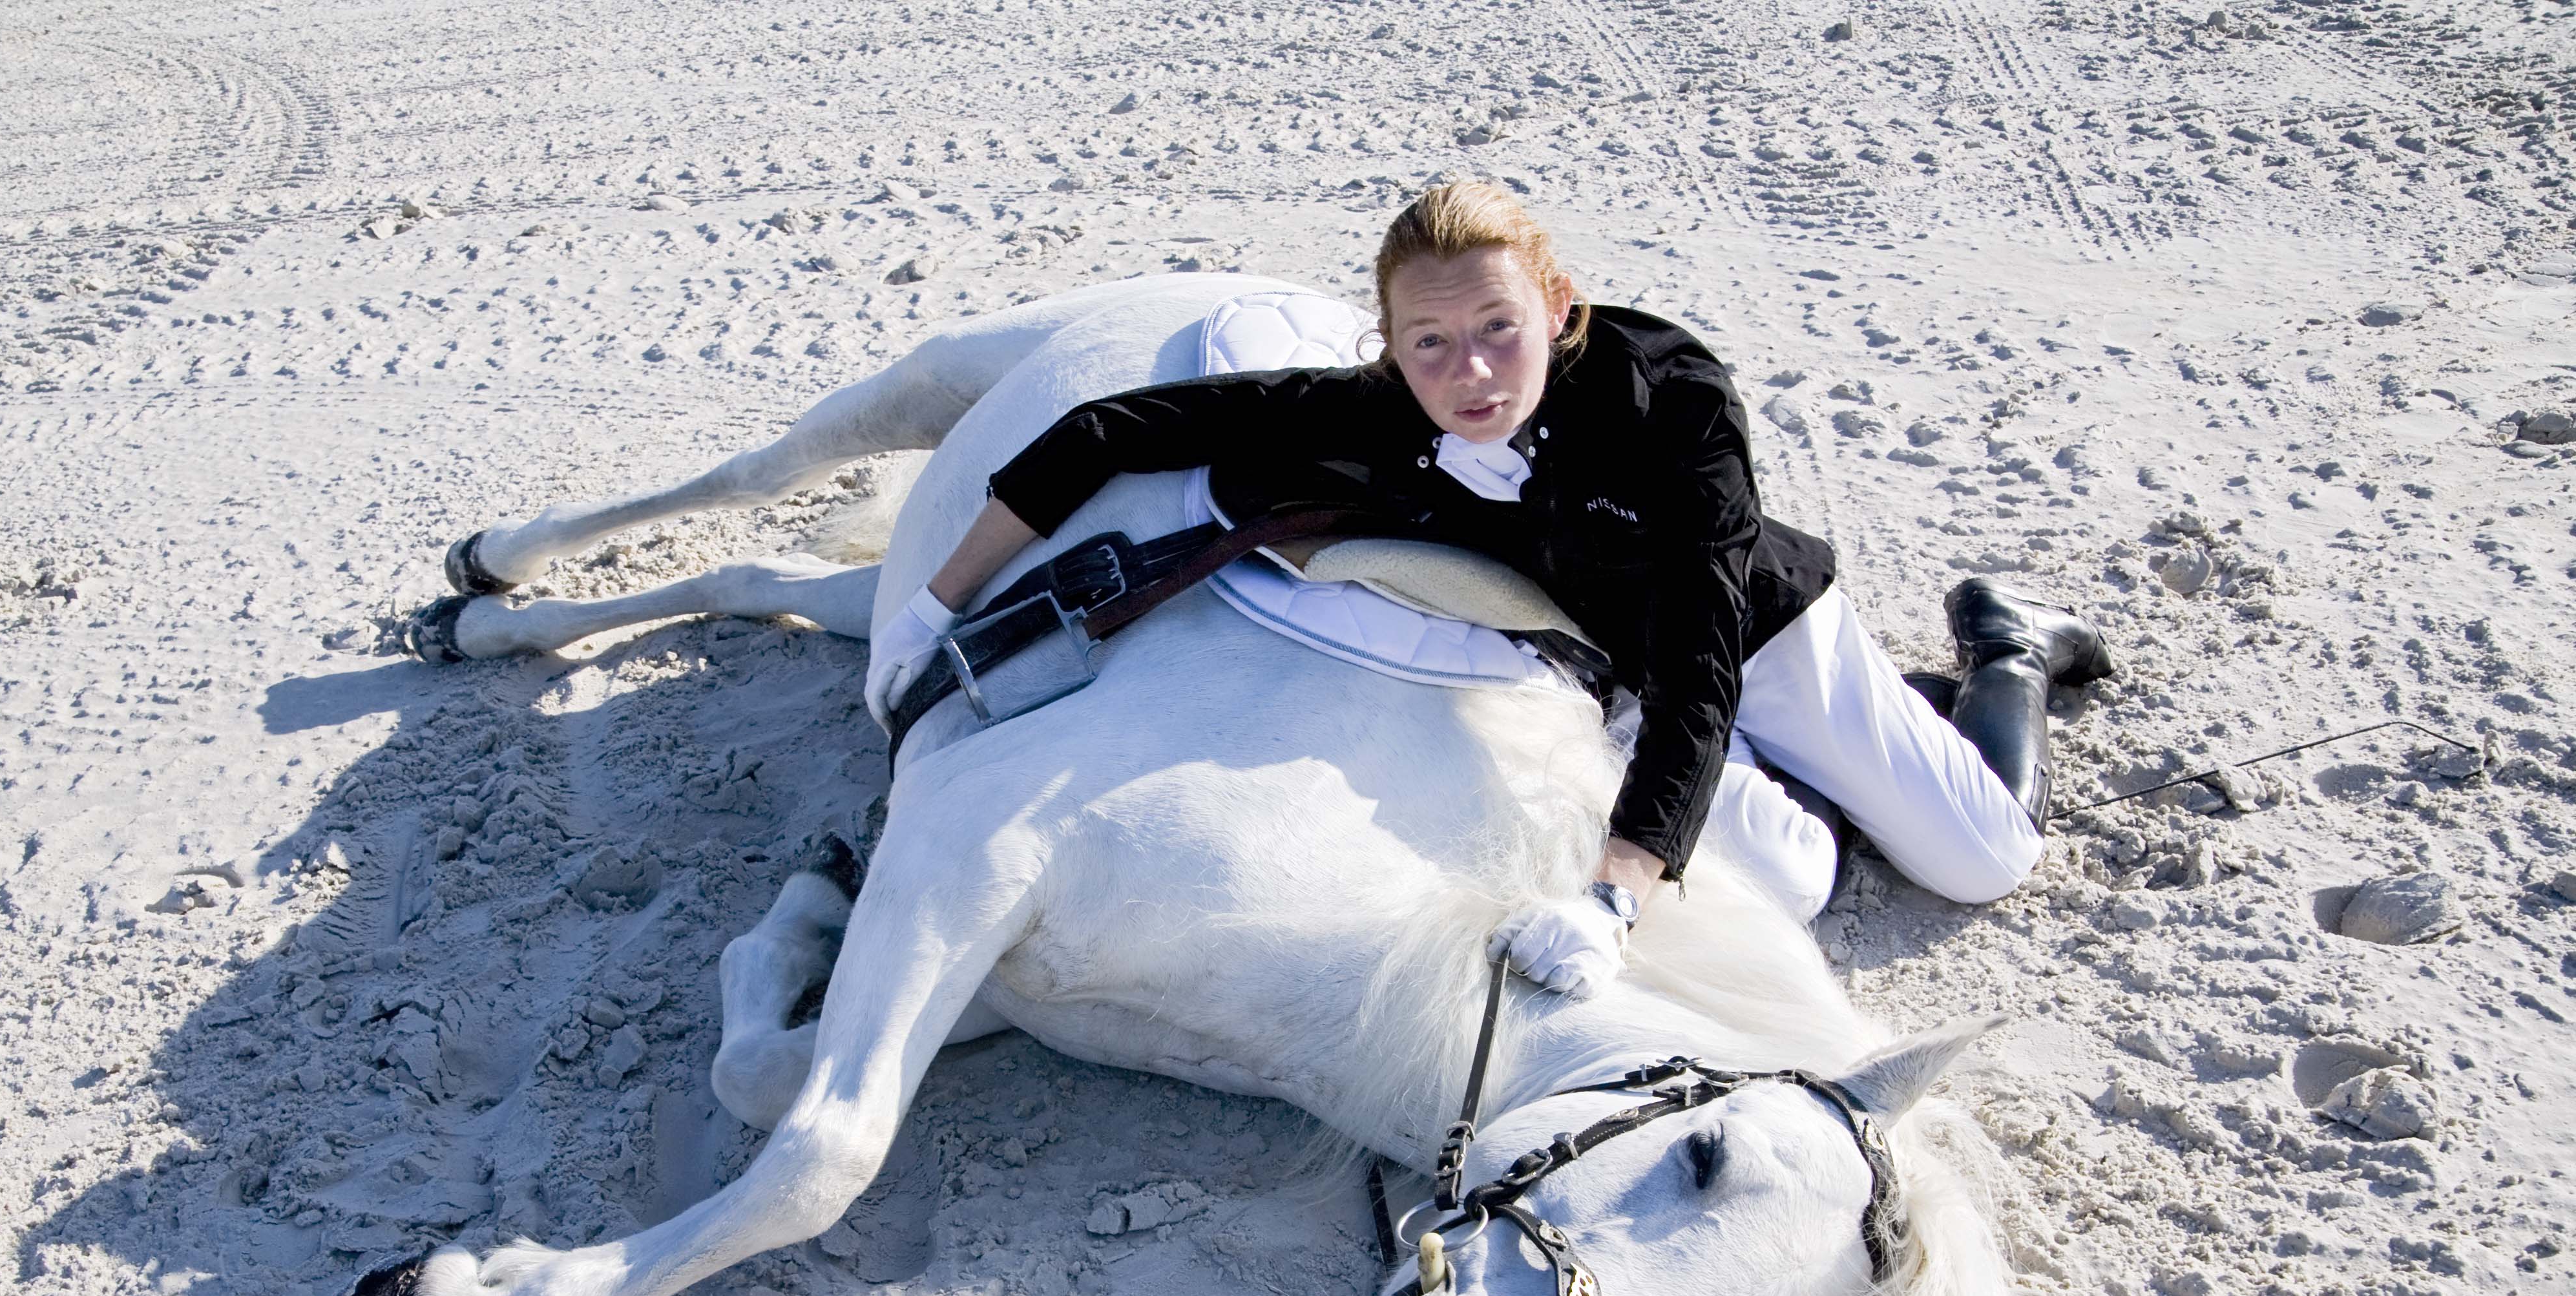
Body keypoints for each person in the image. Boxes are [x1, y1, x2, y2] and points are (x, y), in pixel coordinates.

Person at [868, 180, 2112, 997]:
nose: (1469, 371)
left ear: (1556, 305)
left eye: (1498, 329)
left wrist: (1615, 904)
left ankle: (2005, 650)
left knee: (1982, 860)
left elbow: (1701, 665)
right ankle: (1846, 781)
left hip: (1752, 632)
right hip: (1612, 665)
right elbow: (1109, 430)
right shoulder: (1387, 411)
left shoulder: (1668, 397)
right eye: (1429, 344)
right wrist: (935, 608)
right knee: (1789, 883)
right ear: (1391, 345)